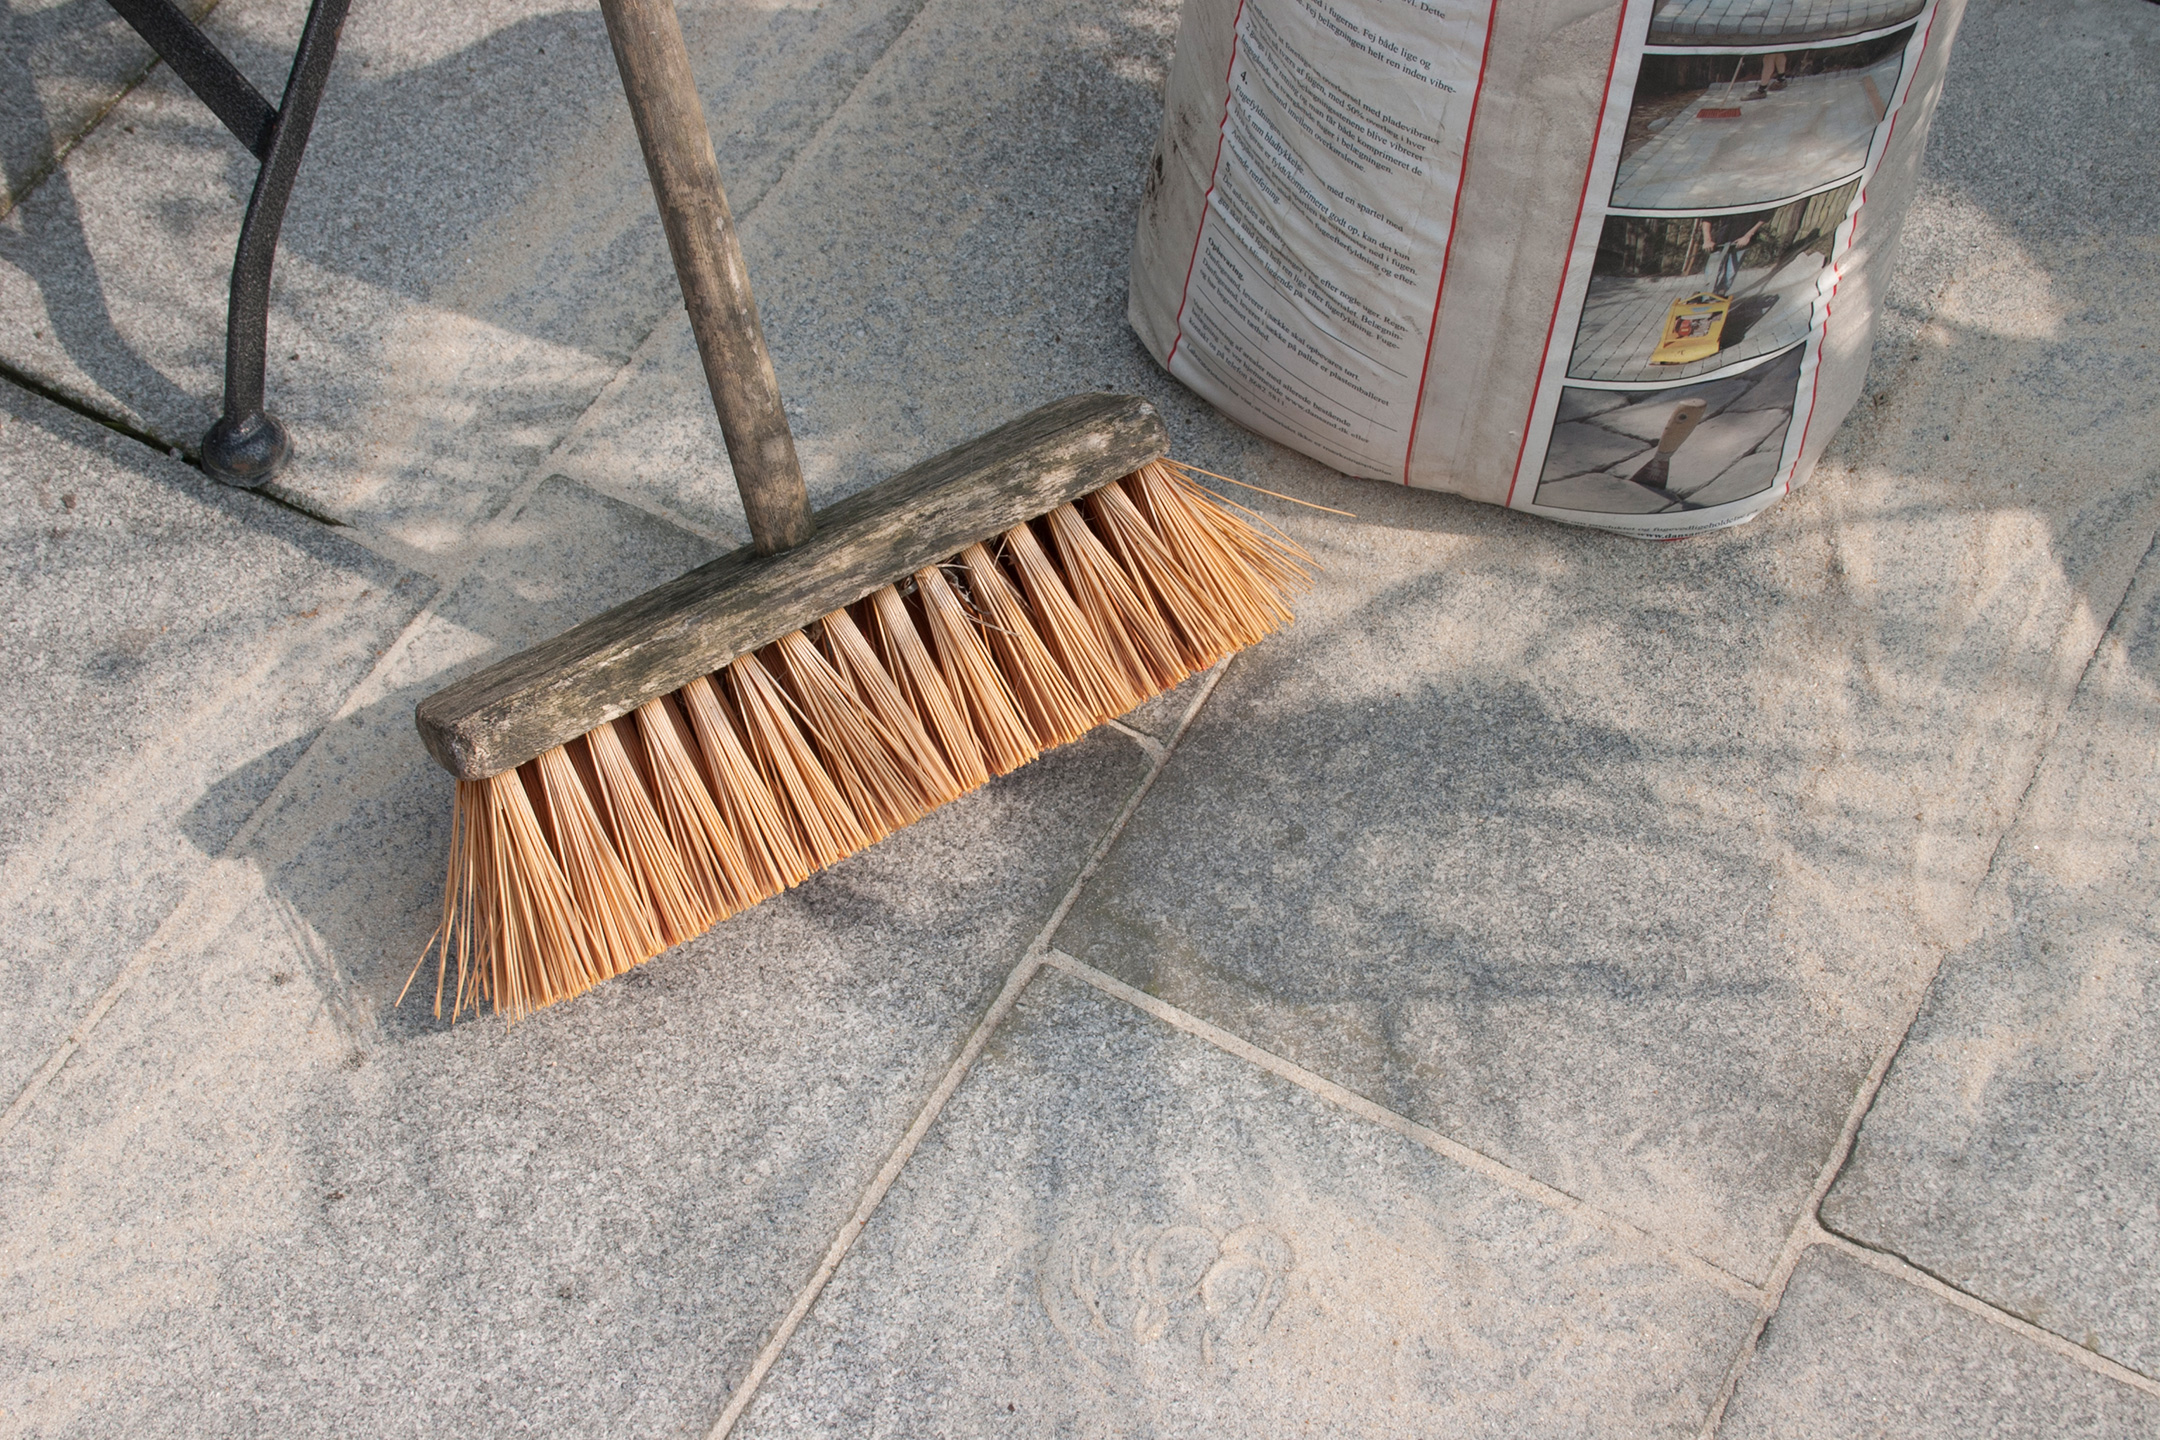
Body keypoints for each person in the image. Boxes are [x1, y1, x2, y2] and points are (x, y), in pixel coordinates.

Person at [1696, 215, 1767, 296]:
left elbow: (1765, 216)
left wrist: (1748, 236)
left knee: (1730, 273)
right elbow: (1707, 217)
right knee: (1712, 272)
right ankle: (1706, 295)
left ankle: (1719, 296)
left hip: (1741, 242)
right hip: (1719, 241)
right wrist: (1707, 240)